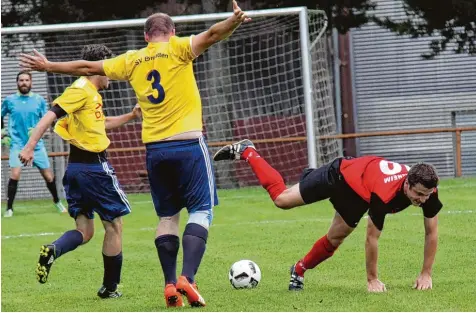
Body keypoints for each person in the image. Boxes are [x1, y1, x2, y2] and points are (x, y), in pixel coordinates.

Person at [19, 1, 251, 307]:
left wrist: (48, 66)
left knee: (167, 217)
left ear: (145, 37)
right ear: (173, 32)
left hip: (154, 151)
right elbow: (211, 34)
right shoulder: (179, 48)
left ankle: (169, 284)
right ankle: (187, 278)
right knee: (201, 211)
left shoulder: (132, 60)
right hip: (187, 144)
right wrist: (233, 20)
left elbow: (86, 67)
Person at [213, 139, 442, 292]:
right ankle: (248, 151)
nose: (422, 200)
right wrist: (372, 280)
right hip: (339, 176)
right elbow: (372, 238)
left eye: (426, 195)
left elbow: (431, 233)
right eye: (418, 194)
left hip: (359, 195)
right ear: (407, 183)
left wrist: (426, 274)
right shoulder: (385, 193)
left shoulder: (428, 192)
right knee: (281, 200)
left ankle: (298, 270)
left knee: (335, 239)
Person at [18, 44, 141, 298]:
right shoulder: (80, 89)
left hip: (76, 170)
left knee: (85, 231)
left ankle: (53, 250)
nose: (111, 74)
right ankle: (110, 288)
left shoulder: (91, 95)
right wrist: (30, 146)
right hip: (94, 168)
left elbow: (102, 123)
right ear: (98, 67)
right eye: (108, 68)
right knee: (115, 226)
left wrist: (131, 115)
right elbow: (50, 115)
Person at [1, 71, 67, 217]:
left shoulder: (39, 100)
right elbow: (1, 115)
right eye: (21, 80)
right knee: (15, 174)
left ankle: (57, 202)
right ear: (17, 82)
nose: (24, 83)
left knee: (49, 176)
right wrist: (2, 132)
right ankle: (9, 209)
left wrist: (41, 132)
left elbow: (47, 119)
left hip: (36, 145)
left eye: (26, 80)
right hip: (17, 144)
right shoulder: (9, 100)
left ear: (31, 82)